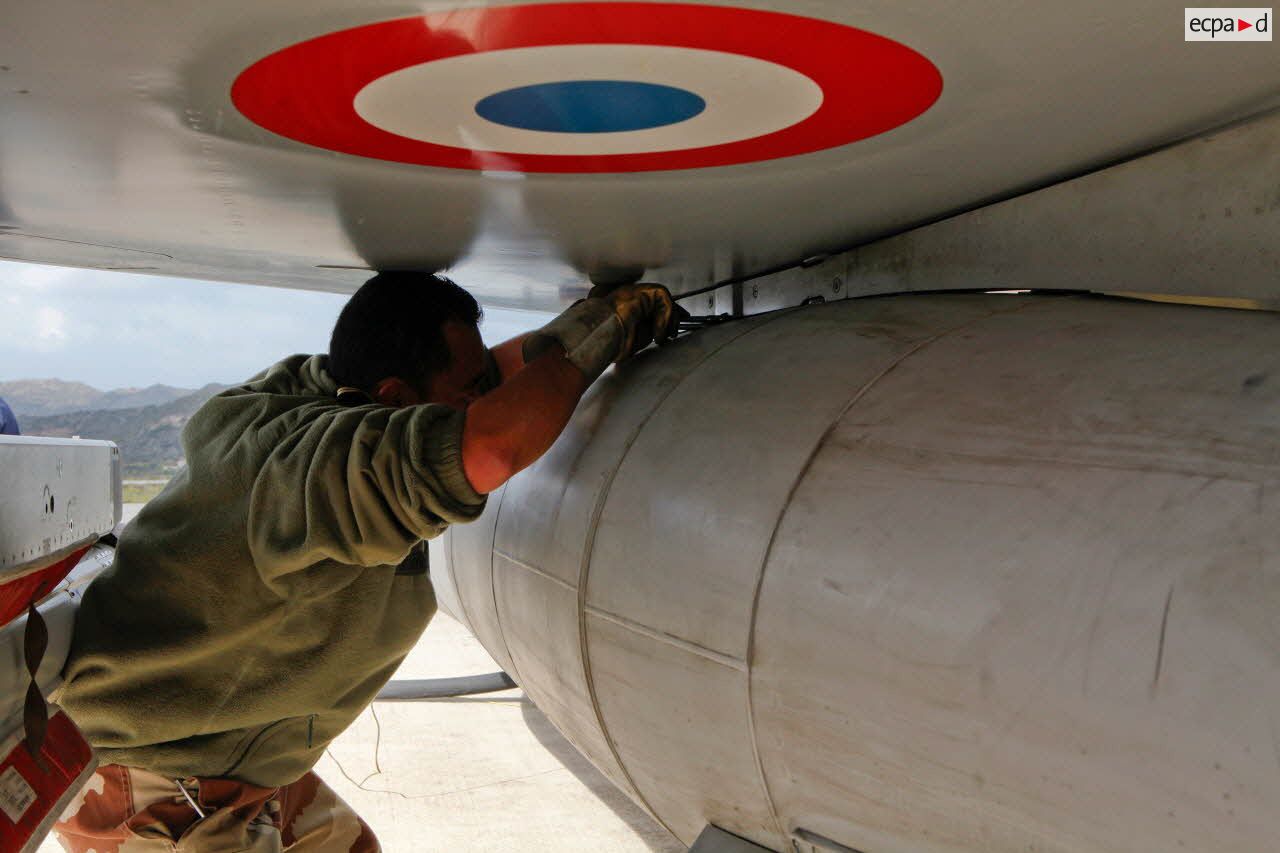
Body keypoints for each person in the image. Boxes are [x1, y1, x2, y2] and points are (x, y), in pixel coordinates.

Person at [51, 271, 678, 852]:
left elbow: (485, 379)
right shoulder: (314, 474)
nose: (484, 397)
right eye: (466, 394)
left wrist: (575, 334)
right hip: (158, 785)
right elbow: (488, 446)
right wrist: (607, 329)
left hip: (228, 757)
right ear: (393, 397)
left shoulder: (326, 389)